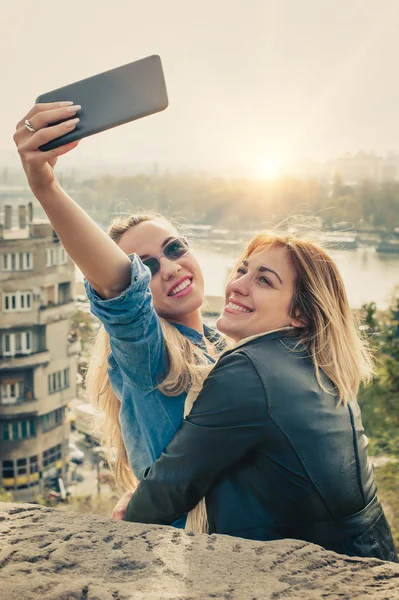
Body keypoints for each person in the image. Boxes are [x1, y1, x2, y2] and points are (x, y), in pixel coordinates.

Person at [123, 232, 398, 562]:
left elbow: (168, 493)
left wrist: (130, 511)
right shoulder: (318, 361)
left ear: (300, 314)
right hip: (367, 561)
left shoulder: (247, 370)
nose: (237, 285)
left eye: (264, 281)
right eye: (242, 270)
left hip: (305, 575)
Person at [13, 102, 224, 507]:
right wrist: (45, 186)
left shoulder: (222, 344)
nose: (170, 268)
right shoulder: (150, 357)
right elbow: (120, 291)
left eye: (174, 248)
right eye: (145, 268)